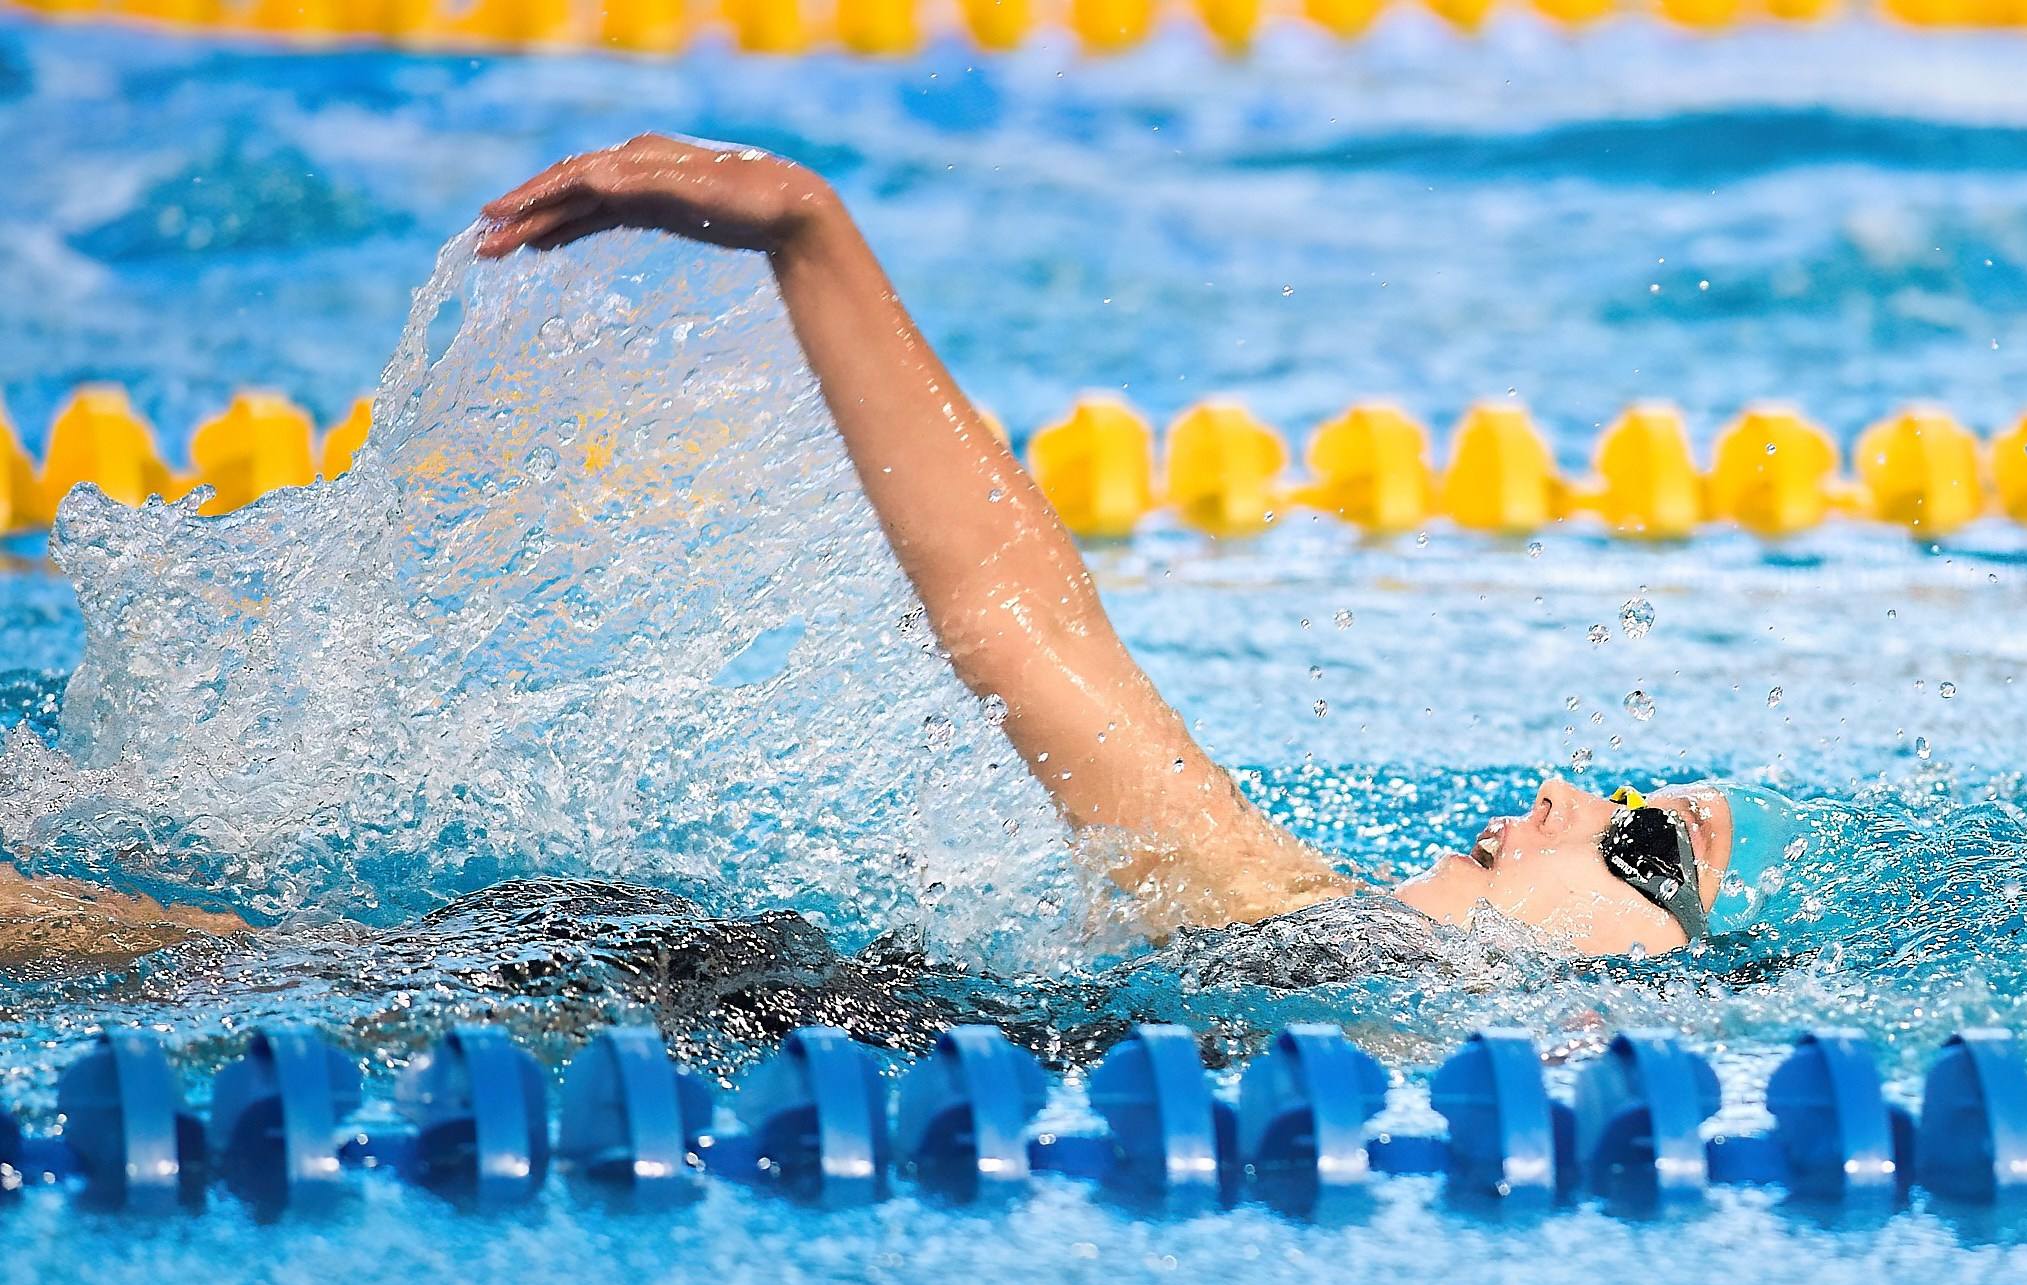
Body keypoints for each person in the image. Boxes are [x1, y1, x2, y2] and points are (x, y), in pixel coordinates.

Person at [2, 133, 1742, 970]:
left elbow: (1016, 622)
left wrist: (805, 233)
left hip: (635, 996)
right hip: (673, 992)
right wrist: (806, 235)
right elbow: (1013, 614)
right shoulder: (1306, 943)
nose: (1558, 792)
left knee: (181, 944)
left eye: (1561, 847)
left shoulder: (1317, 943)